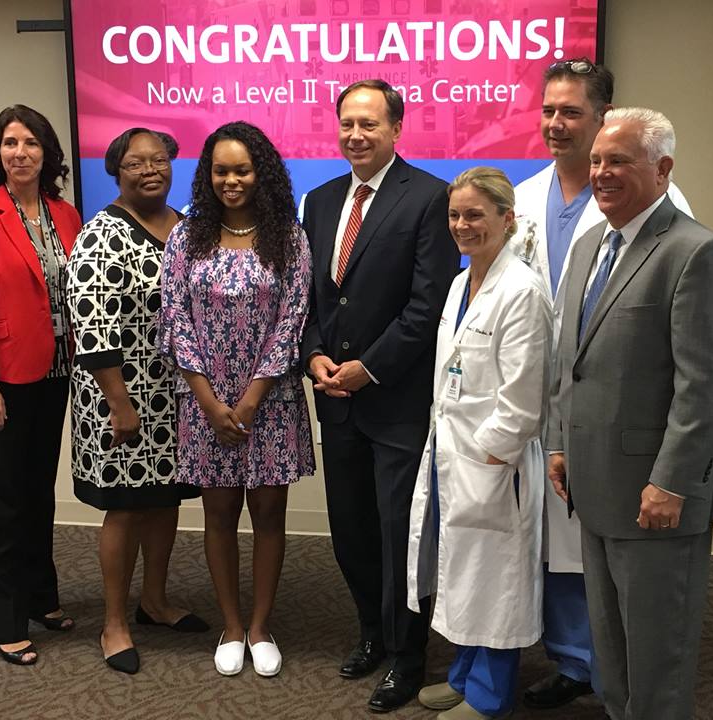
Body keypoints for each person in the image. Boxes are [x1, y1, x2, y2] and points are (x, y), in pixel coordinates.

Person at [546, 107, 713, 720]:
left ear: (662, 170)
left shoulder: (698, 252)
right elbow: (569, 362)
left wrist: (670, 481)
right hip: (596, 483)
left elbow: (704, 387)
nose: (601, 172)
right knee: (613, 650)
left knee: (658, 655)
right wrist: (559, 443)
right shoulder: (588, 248)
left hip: (657, 497)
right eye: (598, 160)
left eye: (619, 161)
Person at [510, 58, 692, 710]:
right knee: (555, 534)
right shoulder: (524, 196)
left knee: (613, 548)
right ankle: (574, 659)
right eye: (549, 111)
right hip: (543, 401)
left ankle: (615, 670)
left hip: (615, 413)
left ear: (603, 117)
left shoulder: (658, 208)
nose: (556, 124)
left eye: (572, 113)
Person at [300, 79, 460, 712]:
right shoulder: (319, 201)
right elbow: (310, 296)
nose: (355, 135)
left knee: (400, 534)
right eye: (347, 123)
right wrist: (313, 354)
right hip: (333, 397)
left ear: (397, 129)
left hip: (394, 399)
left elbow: (427, 309)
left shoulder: (428, 198)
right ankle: (371, 630)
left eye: (369, 124)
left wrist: (367, 368)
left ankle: (408, 655)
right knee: (352, 529)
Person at [157, 121, 314, 678]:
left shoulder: (289, 237)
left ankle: (260, 626)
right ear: (208, 175)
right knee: (219, 512)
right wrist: (207, 398)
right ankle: (230, 624)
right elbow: (174, 317)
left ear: (261, 173)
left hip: (268, 402)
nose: (231, 180)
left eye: (242, 169)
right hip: (204, 403)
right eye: (221, 170)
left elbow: (293, 319)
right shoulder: (187, 235)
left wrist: (249, 400)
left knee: (269, 513)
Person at [406, 168, 552, 720]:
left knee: (494, 578)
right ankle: (465, 677)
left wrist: (485, 459)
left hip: (493, 463)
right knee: (462, 571)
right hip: (452, 454)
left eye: (475, 215)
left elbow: (523, 402)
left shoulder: (522, 292)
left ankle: (489, 695)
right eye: (455, 215)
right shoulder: (460, 281)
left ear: (506, 219)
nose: (462, 225)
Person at [66, 128, 206, 675]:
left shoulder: (188, 228)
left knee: (164, 499)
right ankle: (114, 621)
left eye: (159, 160)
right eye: (135, 162)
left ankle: (156, 600)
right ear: (115, 171)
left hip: (176, 393)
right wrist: (120, 404)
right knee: (124, 507)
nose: (150, 169)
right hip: (120, 396)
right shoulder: (101, 234)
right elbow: (93, 326)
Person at [0, 105, 82, 665]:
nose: (20, 152)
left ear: (47, 153)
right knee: (3, 501)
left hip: (57, 372)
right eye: (9, 143)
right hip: (4, 377)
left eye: (30, 142)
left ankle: (39, 597)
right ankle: (3, 619)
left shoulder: (66, 214)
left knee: (37, 492)